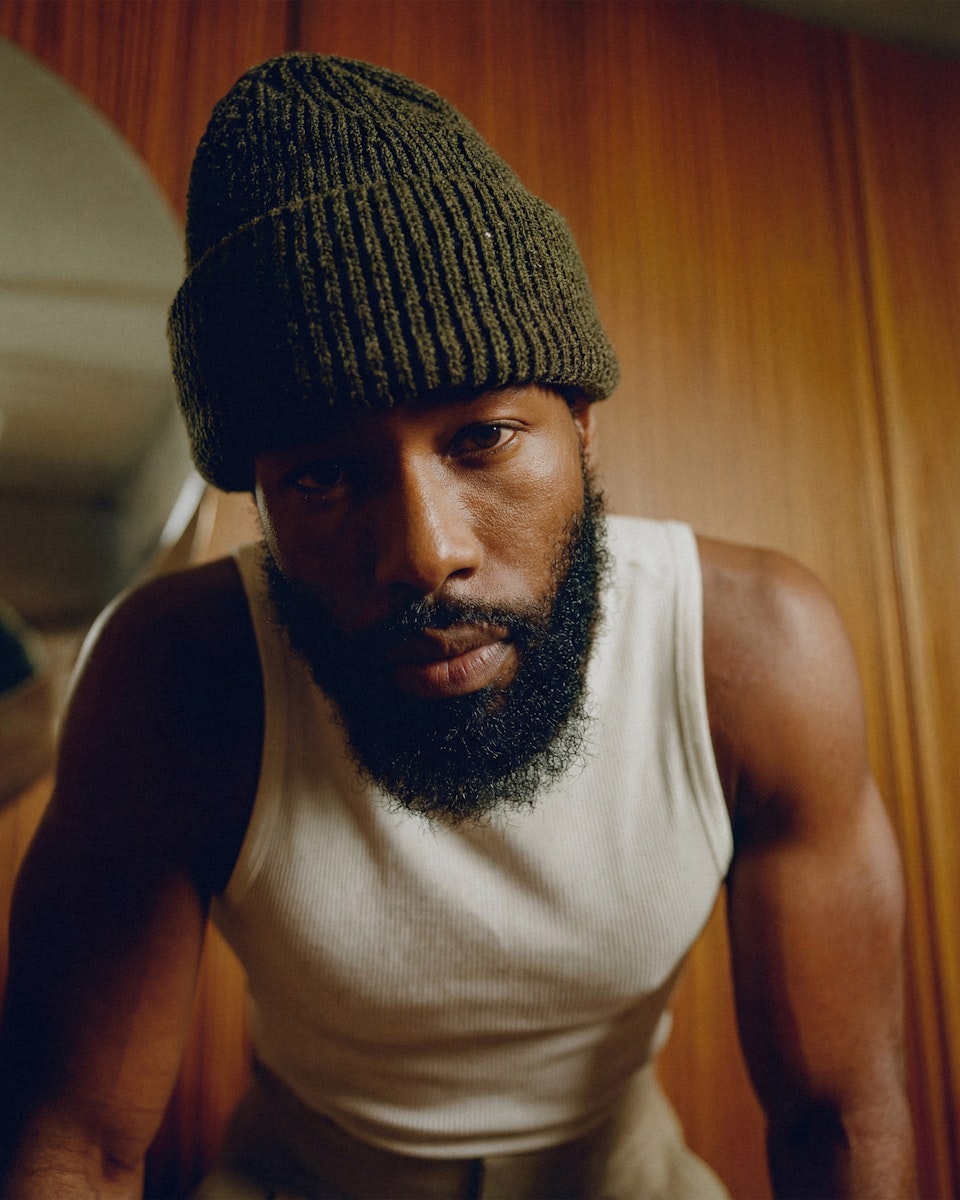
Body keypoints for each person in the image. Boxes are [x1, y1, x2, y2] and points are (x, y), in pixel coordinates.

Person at [0, 53, 914, 1200]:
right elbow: (75, 1146)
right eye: (326, 477)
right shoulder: (172, 679)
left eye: (482, 436)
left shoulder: (754, 657)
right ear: (263, 499)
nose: (426, 553)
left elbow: (838, 1119)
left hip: (617, 1163)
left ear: (580, 423)